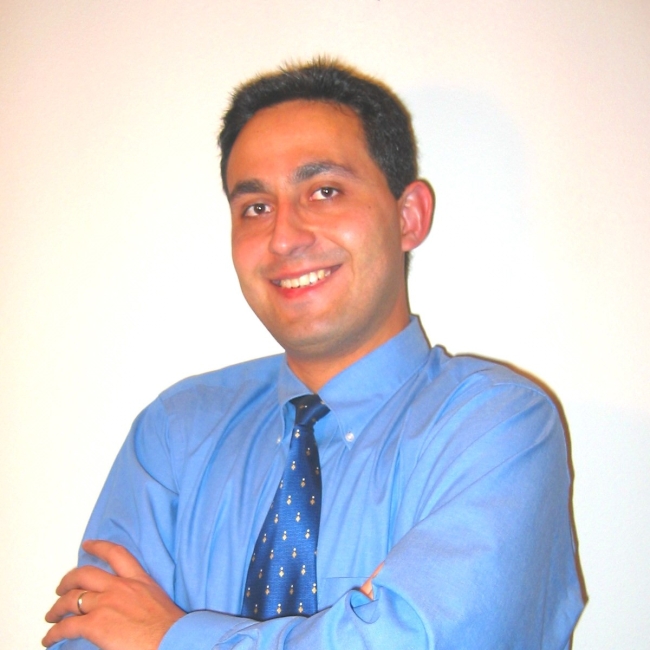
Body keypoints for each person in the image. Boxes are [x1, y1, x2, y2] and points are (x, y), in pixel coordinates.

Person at [43, 59, 584, 650]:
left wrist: (169, 635)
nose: (283, 237)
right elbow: (90, 636)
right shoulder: (175, 433)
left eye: (324, 192)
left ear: (408, 216)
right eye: (255, 206)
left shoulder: (497, 426)